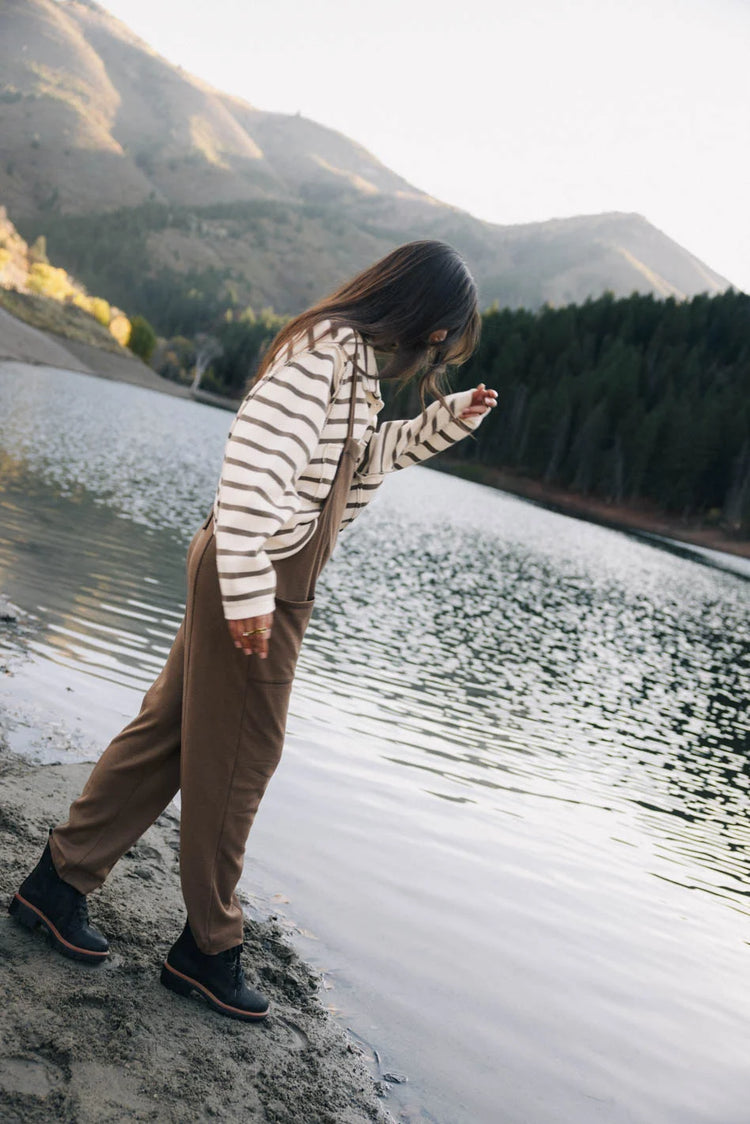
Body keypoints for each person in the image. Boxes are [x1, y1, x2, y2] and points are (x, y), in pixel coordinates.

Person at [7, 239, 498, 1022]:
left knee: (168, 736)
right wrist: (248, 598)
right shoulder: (324, 360)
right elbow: (251, 477)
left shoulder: (351, 365)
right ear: (428, 329)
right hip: (258, 576)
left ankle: (53, 887)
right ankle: (209, 948)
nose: (432, 363)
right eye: (442, 350)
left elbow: (357, 466)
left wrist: (440, 423)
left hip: (260, 573)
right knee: (241, 763)